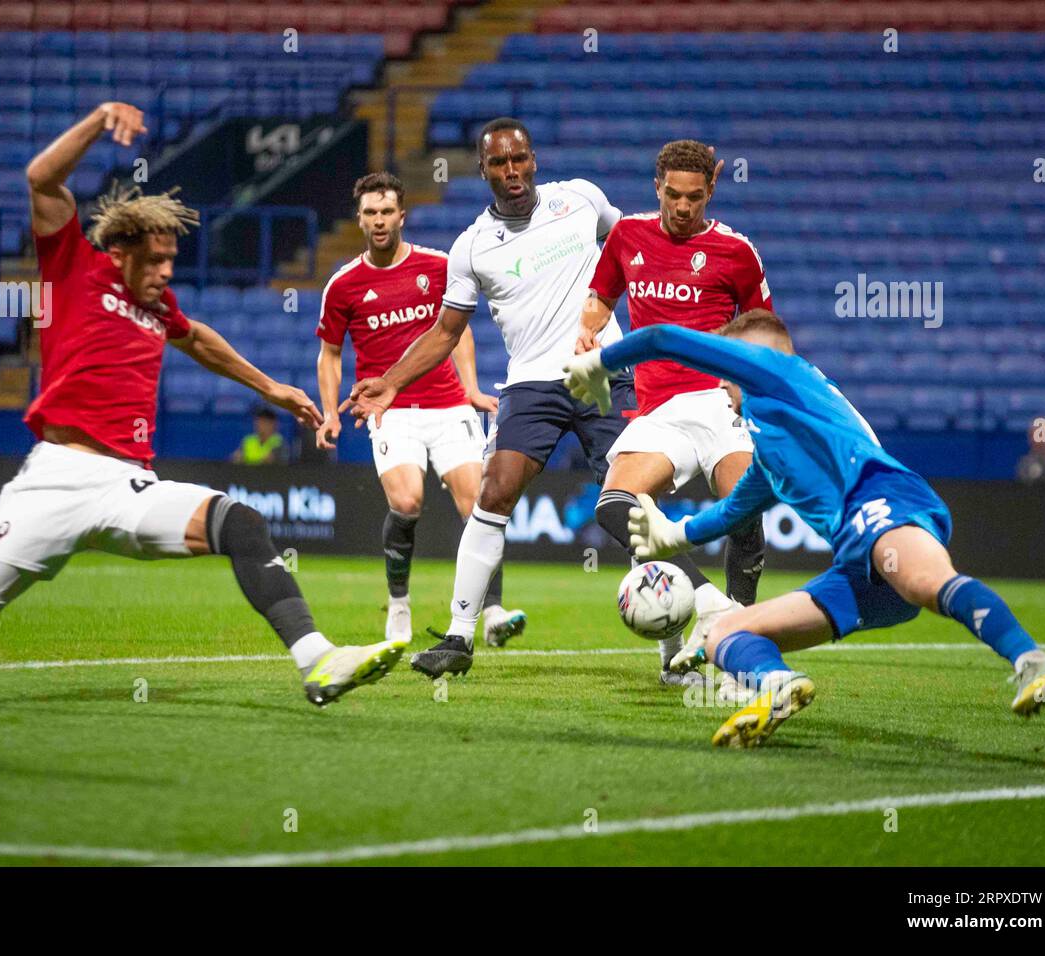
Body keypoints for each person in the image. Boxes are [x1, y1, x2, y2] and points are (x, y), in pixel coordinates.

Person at [0, 103, 406, 708]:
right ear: (120, 252)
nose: (167, 272)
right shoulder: (73, 268)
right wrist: (98, 118)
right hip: (53, 480)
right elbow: (40, 179)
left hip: (125, 483)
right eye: (157, 260)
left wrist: (268, 387)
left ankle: (317, 660)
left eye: (172, 260)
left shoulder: (158, 307)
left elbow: (195, 337)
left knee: (240, 523)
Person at [564, 309, 1045, 747]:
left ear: (751, 358)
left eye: (727, 371)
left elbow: (661, 338)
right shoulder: (769, 446)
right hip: (859, 568)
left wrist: (599, 362)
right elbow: (731, 514)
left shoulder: (780, 375)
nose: (721, 385)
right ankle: (779, 685)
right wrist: (672, 536)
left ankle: (1032, 661)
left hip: (884, 503)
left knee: (926, 583)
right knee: (726, 632)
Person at [343, 118, 640, 680]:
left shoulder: (580, 199)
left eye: (520, 159)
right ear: (483, 171)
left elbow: (632, 252)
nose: (513, 172)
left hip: (601, 372)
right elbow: (444, 333)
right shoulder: (472, 247)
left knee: (630, 500)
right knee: (493, 494)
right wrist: (391, 382)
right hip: (531, 384)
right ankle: (459, 637)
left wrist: (629, 330)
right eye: (499, 164)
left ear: (533, 159)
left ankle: (674, 650)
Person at [577, 139, 771, 677]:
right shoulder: (626, 236)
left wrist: (756, 393)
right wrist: (587, 333)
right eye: (673, 196)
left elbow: (764, 332)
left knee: (746, 511)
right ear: (656, 187)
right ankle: (708, 607)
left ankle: (740, 637)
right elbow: (600, 299)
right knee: (615, 504)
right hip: (660, 408)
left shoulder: (736, 252)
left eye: (695, 198)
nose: (684, 208)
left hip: (719, 401)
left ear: (711, 190)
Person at [316, 171, 524, 644]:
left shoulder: (437, 266)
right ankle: (399, 602)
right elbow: (329, 353)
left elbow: (459, 331)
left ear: (402, 216)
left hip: (448, 403)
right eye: (370, 212)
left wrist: (470, 388)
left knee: (482, 504)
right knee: (407, 500)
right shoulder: (344, 284)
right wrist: (330, 411)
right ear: (360, 219)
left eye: (387, 211)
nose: (379, 220)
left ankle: (490, 613)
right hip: (392, 412)